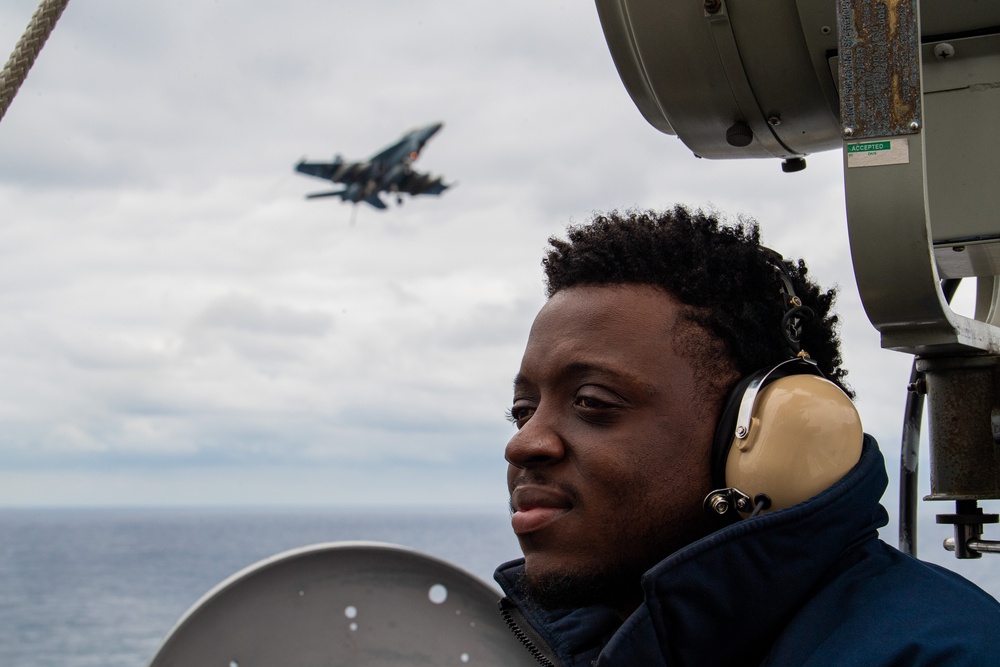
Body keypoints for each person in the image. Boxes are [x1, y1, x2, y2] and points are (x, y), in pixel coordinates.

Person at [494, 206, 1000, 666]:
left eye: (592, 403)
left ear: (768, 434)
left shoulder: (943, 655)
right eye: (522, 411)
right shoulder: (559, 644)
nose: (523, 444)